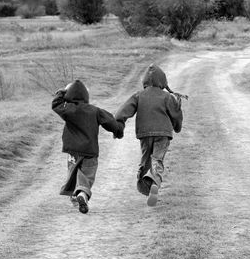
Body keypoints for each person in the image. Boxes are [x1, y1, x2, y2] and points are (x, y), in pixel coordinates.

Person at [115, 64, 183, 206]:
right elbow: (176, 115)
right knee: (157, 160)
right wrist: (177, 127)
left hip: (145, 133)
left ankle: (142, 180)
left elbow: (123, 111)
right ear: (162, 81)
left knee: (145, 159)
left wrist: (118, 125)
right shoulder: (167, 96)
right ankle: (154, 184)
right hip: (163, 133)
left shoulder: (138, 95)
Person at [52, 79, 124, 214]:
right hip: (90, 151)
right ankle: (82, 195)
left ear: (69, 96)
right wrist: (118, 131)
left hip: (73, 150)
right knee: (87, 175)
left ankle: (75, 196)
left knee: (74, 172)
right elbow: (111, 122)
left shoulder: (68, 110)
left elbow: (55, 104)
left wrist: (62, 92)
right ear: (86, 96)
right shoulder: (95, 111)